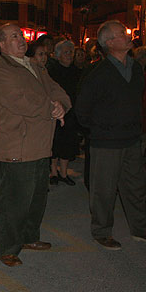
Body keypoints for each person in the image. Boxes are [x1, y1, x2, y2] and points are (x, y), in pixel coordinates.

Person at [76, 20, 146, 250]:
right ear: (109, 43)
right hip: (106, 143)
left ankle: (141, 229)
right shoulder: (98, 73)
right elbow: (82, 109)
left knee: (136, 187)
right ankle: (102, 231)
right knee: (103, 190)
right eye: (122, 34)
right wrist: (100, 130)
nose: (128, 36)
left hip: (131, 139)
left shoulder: (135, 68)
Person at [0, 23, 69, 267]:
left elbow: (56, 89)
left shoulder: (34, 65)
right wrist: (51, 108)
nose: (21, 40)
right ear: (1, 45)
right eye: (14, 37)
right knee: (13, 202)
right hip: (17, 146)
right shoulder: (0, 71)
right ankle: (6, 248)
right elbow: (21, 102)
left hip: (41, 145)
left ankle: (29, 237)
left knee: (36, 198)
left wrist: (62, 104)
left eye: (21, 35)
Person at [47, 39, 81, 186]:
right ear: (58, 55)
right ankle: (53, 172)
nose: (69, 55)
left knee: (68, 143)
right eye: (66, 52)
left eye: (71, 52)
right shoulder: (52, 71)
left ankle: (64, 173)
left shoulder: (77, 72)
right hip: (55, 112)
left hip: (71, 113)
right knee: (55, 143)